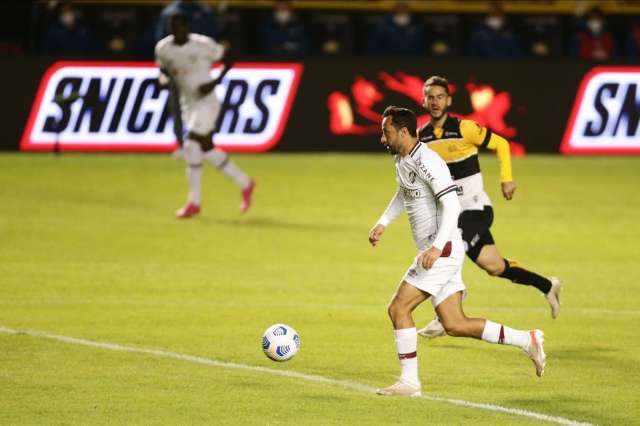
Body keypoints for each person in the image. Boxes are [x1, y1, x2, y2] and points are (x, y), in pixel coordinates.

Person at [370, 106, 545, 397]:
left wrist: (437, 247)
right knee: (454, 323)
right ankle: (527, 340)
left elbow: (452, 205)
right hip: (440, 250)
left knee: (398, 308)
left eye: (385, 132)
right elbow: (404, 192)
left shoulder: (429, 161)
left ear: (403, 132)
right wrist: (383, 222)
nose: (382, 139)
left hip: (441, 250)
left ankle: (409, 382)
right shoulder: (403, 160)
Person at [416, 76, 561, 339]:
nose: (435, 102)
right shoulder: (422, 138)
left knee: (453, 244)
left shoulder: (465, 128)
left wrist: (506, 179)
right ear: (423, 101)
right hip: (451, 216)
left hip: (476, 209)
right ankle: (548, 285)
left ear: (449, 100)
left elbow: (501, 144)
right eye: (430, 97)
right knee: (494, 266)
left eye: (440, 96)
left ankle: (444, 313)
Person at [155, 12, 255, 218]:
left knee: (191, 144)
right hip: (187, 102)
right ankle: (245, 183)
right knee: (206, 148)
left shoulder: (203, 45)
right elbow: (163, 69)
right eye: (173, 26)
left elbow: (230, 58)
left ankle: (194, 202)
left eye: (181, 26)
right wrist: (163, 78)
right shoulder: (163, 49)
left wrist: (214, 82)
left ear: (187, 27)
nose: (177, 30)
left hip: (207, 101)